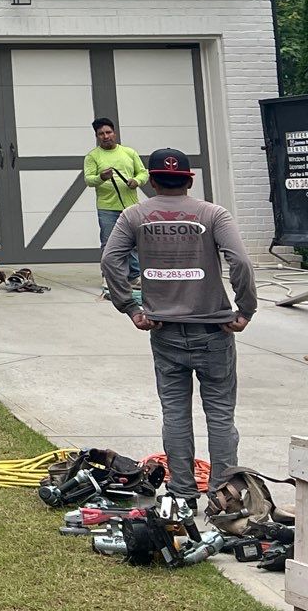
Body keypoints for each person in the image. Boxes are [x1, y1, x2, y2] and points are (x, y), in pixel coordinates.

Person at [100, 148, 258, 506]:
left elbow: (111, 261)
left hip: (164, 330)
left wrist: (131, 307)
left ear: (151, 181)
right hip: (214, 332)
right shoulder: (212, 214)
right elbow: (241, 262)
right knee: (219, 415)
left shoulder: (133, 215)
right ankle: (223, 498)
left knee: (175, 414)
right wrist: (245, 309)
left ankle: (182, 495)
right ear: (189, 180)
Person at [84, 116, 147, 285]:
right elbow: (89, 180)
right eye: (101, 134)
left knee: (132, 242)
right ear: (97, 136)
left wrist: (137, 181)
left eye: (108, 132)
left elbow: (143, 172)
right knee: (109, 243)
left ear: (115, 133)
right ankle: (109, 276)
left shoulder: (129, 152)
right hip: (107, 207)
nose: (106, 136)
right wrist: (101, 177)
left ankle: (134, 275)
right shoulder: (93, 157)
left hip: (131, 205)